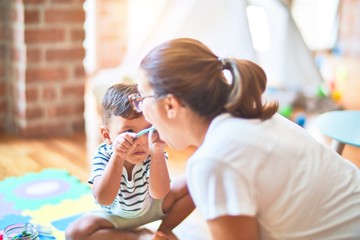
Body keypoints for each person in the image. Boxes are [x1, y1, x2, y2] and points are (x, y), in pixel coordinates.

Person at [128, 38, 360, 239]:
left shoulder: (214, 160)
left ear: (170, 105)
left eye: (141, 97)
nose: (141, 109)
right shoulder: (250, 116)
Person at [65, 83, 194, 240]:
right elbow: (104, 198)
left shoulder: (153, 152)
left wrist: (158, 152)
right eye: (129, 132)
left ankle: (164, 231)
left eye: (147, 130)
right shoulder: (103, 155)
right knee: (75, 233)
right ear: (107, 136)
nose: (140, 141)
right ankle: (138, 236)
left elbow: (160, 193)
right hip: (114, 217)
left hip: (150, 208)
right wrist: (118, 157)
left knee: (194, 183)